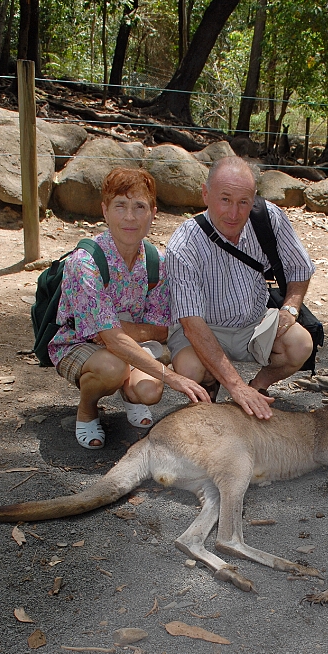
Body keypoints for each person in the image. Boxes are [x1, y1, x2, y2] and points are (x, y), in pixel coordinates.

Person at [48, 167, 209, 448]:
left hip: (124, 344)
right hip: (77, 344)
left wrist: (115, 330)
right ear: (105, 211)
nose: (130, 217)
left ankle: (129, 391)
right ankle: (87, 411)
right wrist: (170, 376)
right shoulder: (85, 262)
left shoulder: (156, 262)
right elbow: (107, 338)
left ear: (153, 213)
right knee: (112, 367)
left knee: (149, 391)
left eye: (139, 207)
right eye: (120, 206)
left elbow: (160, 331)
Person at [164, 157, 315, 421]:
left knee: (301, 344)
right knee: (191, 369)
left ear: (253, 198)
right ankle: (211, 393)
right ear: (205, 194)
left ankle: (259, 386)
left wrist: (290, 307)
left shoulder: (269, 219)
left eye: (243, 202)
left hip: (253, 323)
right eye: (225, 199)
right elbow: (192, 324)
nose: (234, 214)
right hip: (204, 327)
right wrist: (236, 386)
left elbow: (300, 268)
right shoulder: (184, 245)